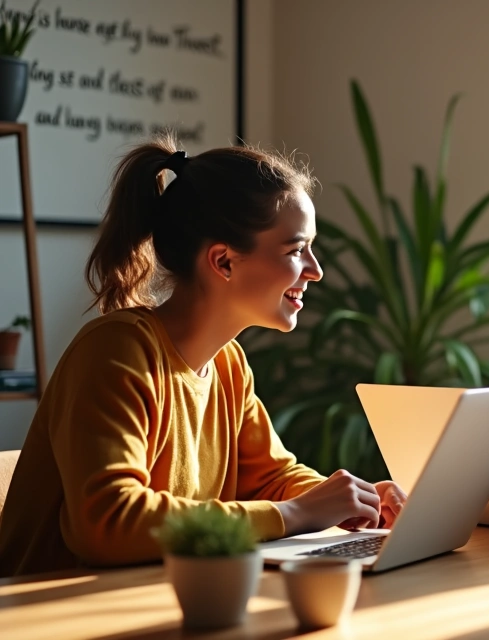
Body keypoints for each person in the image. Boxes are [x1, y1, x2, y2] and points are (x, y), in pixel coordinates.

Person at [0, 137, 407, 578]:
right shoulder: (116, 351)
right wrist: (295, 514)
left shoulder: (228, 365)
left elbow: (271, 479)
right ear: (224, 262)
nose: (315, 269)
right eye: (295, 250)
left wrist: (355, 500)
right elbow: (108, 523)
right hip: (48, 612)